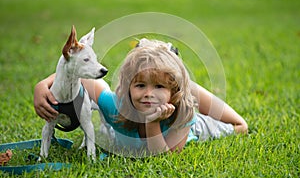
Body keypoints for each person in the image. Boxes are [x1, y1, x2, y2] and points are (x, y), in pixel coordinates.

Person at [34, 38, 248, 156]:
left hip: (191, 124)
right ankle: (171, 83)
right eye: (140, 85)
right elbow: (83, 77)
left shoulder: (184, 116)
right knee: (161, 84)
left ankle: (182, 86)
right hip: (167, 94)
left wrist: (152, 122)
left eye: (158, 86)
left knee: (239, 126)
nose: (147, 93)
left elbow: (162, 157)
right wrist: (43, 85)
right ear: (127, 87)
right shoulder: (114, 105)